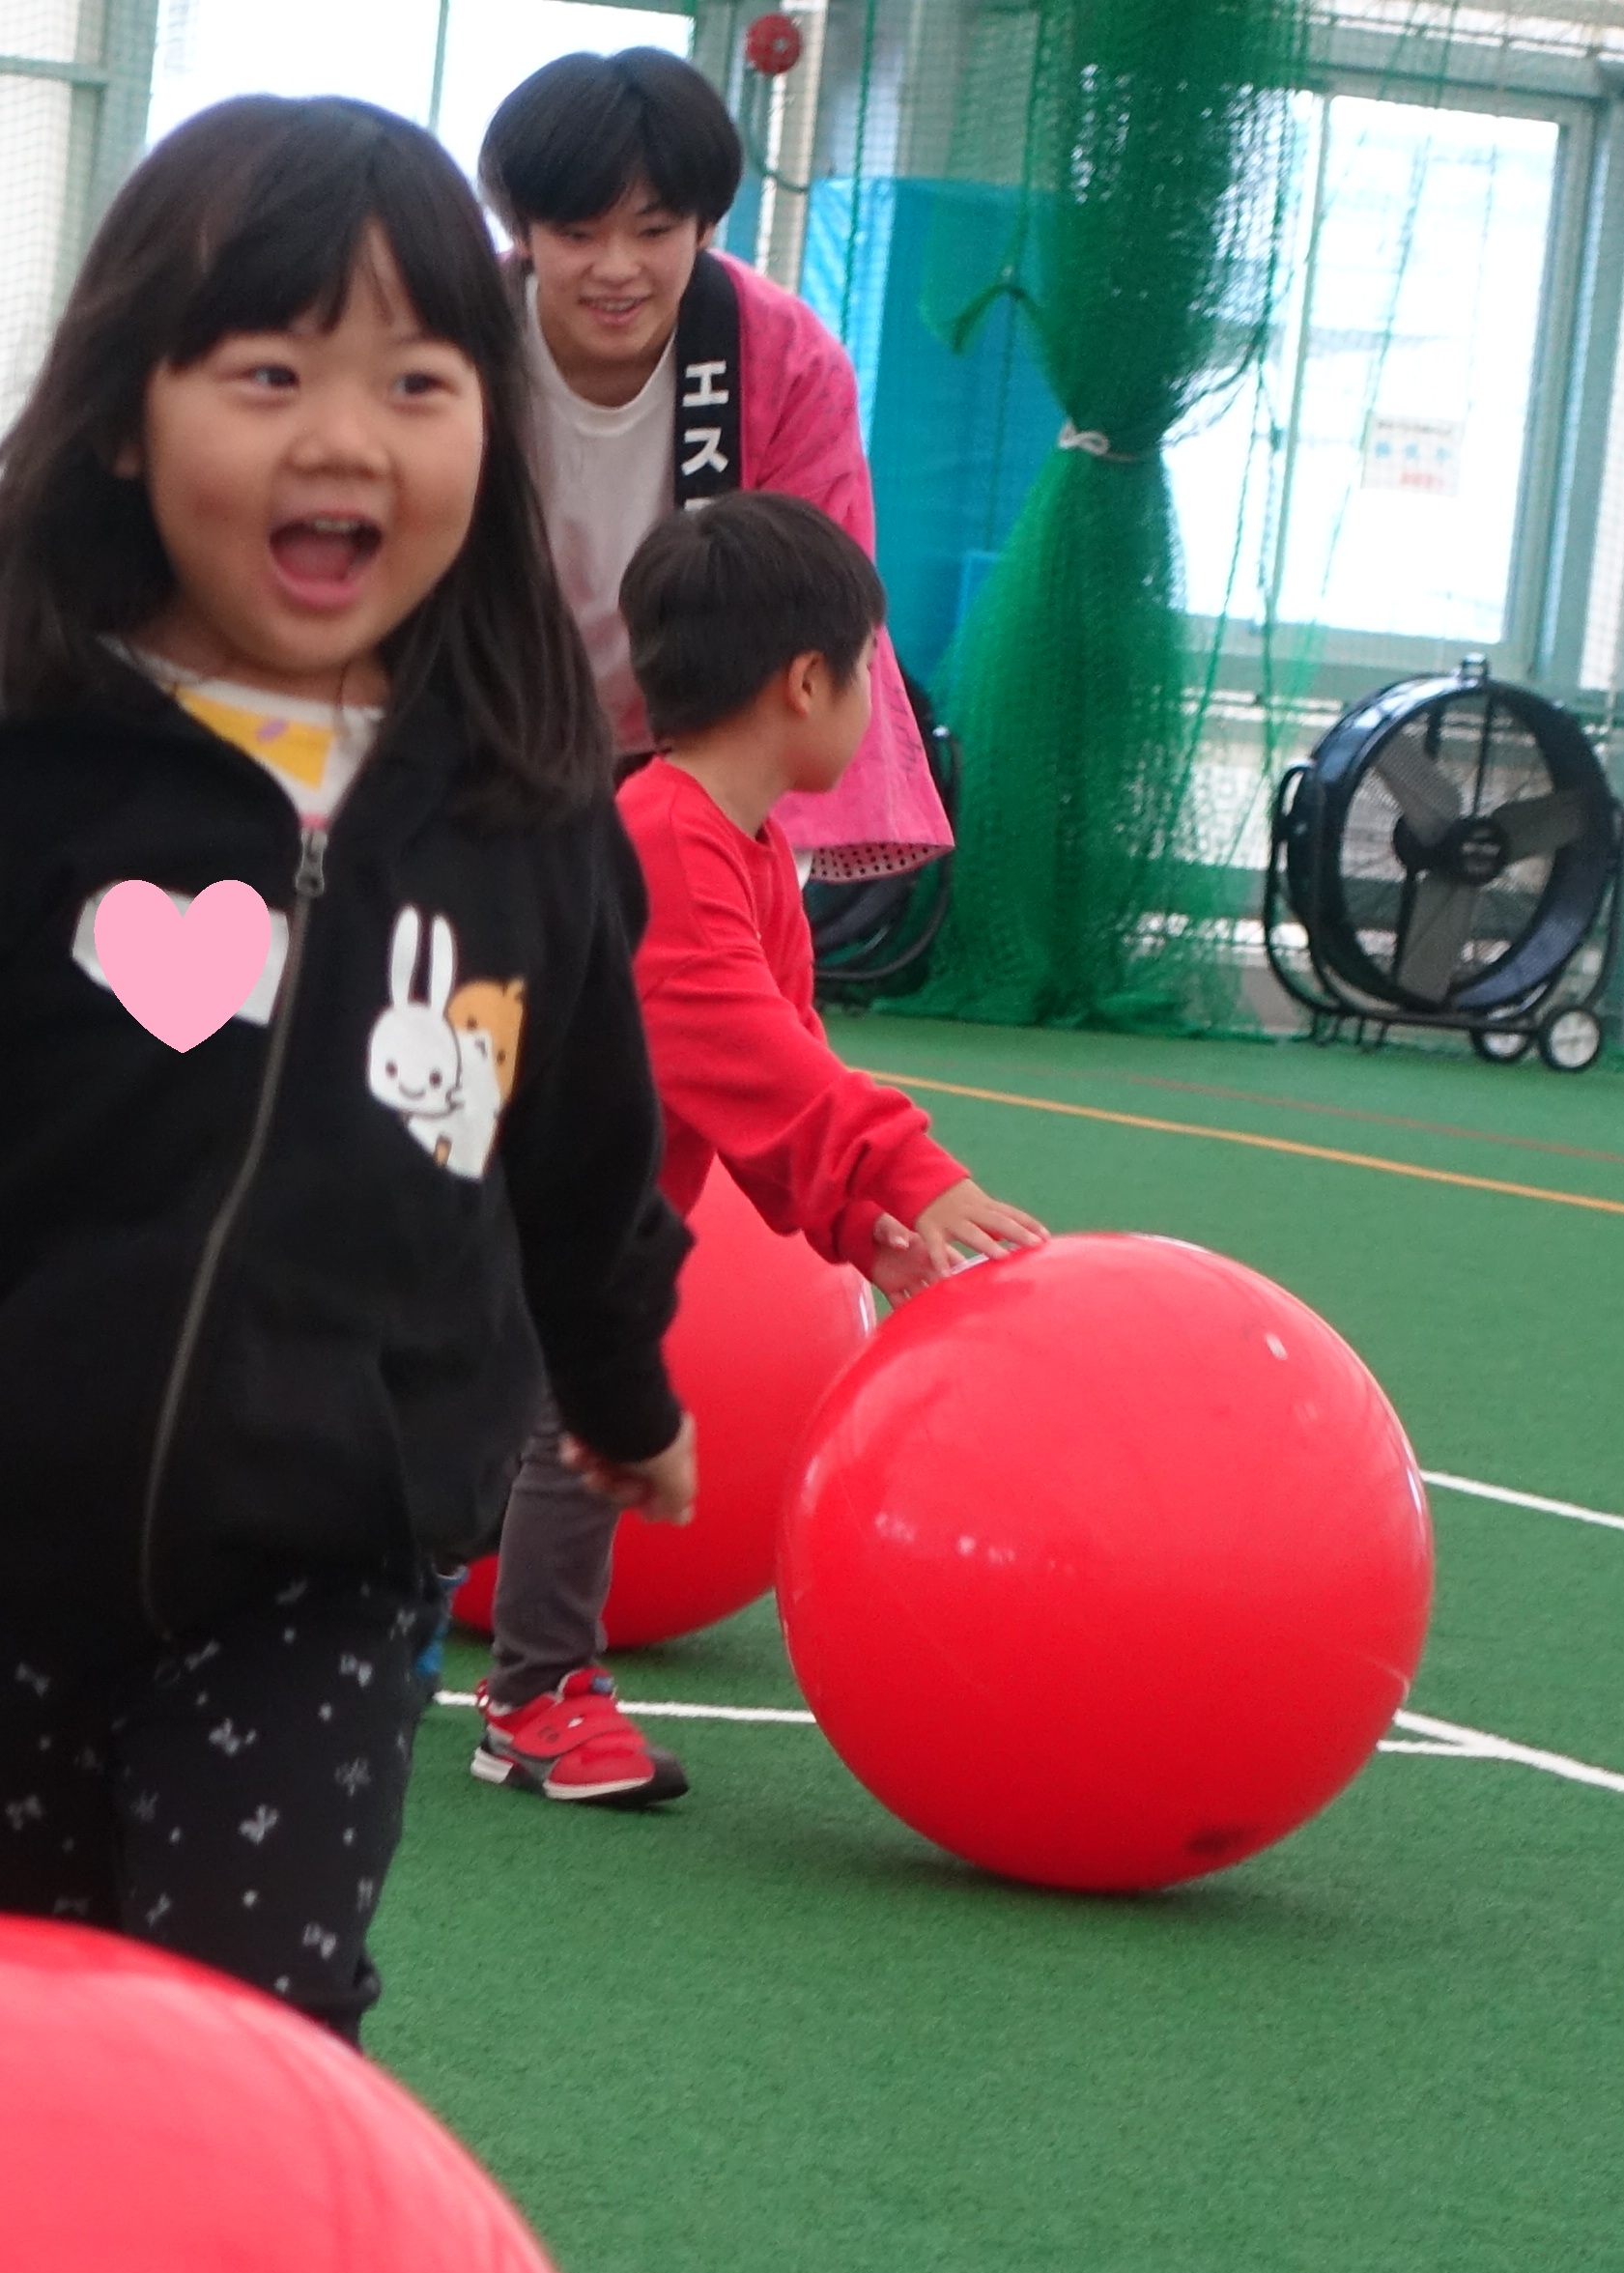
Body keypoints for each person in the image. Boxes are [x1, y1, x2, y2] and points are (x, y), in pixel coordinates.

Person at [0, 98, 697, 2045]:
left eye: (417, 381)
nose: (344, 437)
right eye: (268, 373)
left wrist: (621, 1387)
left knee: (240, 2019)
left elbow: (584, 1152)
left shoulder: (522, 814)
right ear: (126, 417)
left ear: (490, 430)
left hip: (327, 1561)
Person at [466, 41, 967, 1806]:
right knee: (504, 1314)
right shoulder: (447, 334)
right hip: (472, 772)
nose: (615, 267)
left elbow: (747, 1057)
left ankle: (492, 1651)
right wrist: (894, 1182)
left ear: (704, 229)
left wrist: (857, 1207)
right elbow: (743, 1047)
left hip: (655, 770)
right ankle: (512, 1668)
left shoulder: (773, 359)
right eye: (573, 231)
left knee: (529, 1316)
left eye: (656, 230)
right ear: (515, 230)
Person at [598, 491, 1045, 1419]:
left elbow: (764, 1078)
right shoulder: (663, 845)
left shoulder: (751, 849)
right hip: (499, 1246)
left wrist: (854, 1221)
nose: (879, 704)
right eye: (870, 672)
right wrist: (911, 1173)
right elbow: (762, 1061)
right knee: (507, 1470)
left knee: (563, 1468)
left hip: (580, 1258)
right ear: (807, 684)